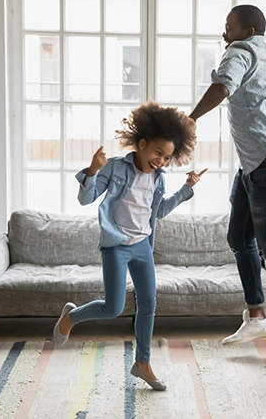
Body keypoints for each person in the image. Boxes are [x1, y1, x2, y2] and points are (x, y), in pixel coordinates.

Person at [53, 102, 203, 391]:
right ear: (142, 144)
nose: (161, 160)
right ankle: (71, 317)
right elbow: (87, 199)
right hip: (117, 246)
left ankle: (143, 362)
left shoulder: (158, 179)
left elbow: (158, 212)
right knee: (113, 308)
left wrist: (187, 190)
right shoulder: (115, 168)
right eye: (158, 153)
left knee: (148, 305)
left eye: (167, 157)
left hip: (142, 246)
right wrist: (93, 171)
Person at [189, 4, 266, 345]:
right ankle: (257, 315)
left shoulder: (240, 51)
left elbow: (223, 85)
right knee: (238, 239)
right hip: (257, 165)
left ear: (247, 32)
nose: (224, 34)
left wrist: (191, 118)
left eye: (229, 27)